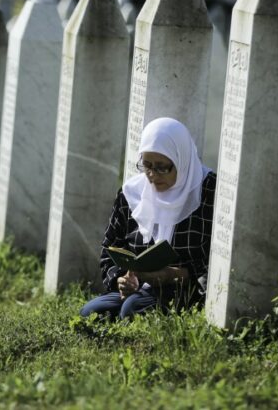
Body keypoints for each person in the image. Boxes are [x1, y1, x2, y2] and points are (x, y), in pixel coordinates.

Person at [80, 117, 216, 320]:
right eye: (146, 165)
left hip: (185, 289)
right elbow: (110, 248)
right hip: (138, 288)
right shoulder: (132, 194)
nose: (152, 175)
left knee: (131, 309)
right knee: (90, 312)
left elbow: (216, 261)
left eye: (162, 167)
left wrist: (174, 274)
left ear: (181, 159)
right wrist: (122, 279)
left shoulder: (207, 192)